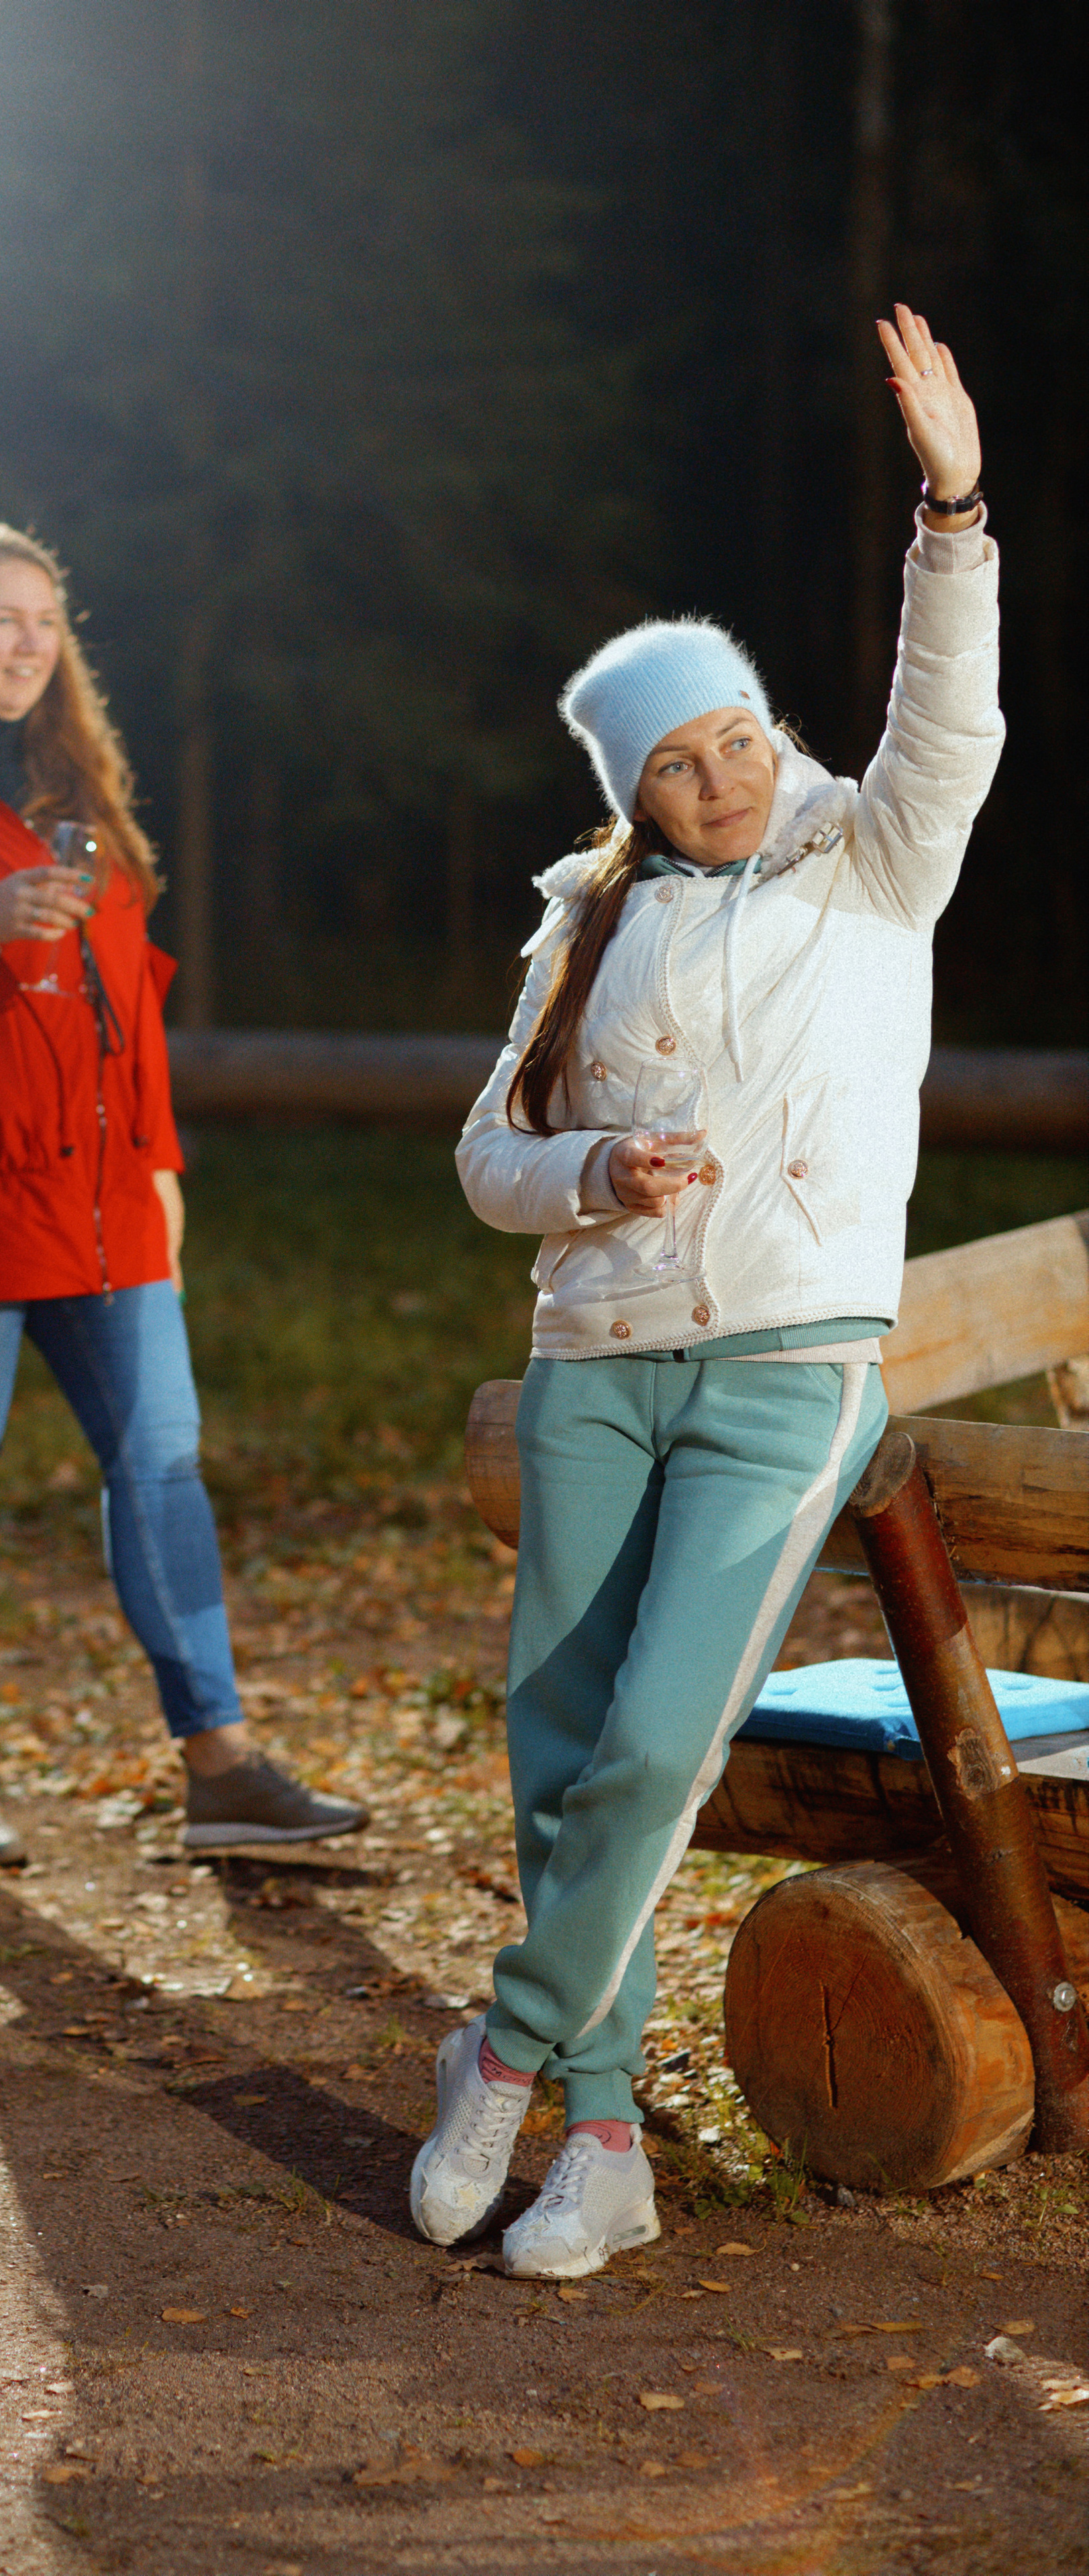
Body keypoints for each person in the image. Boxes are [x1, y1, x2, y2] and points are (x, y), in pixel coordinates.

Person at [410, 307, 1002, 2277]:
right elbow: (494, 1158)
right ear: (633, 793)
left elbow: (951, 720)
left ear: (773, 728)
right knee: (559, 1740)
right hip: (597, 1360)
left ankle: (498, 2043)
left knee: (663, 1741)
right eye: (677, 764)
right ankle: (601, 2139)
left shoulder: (871, 852)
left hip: (786, 1364)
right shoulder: (586, 922)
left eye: (736, 735)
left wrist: (953, 506)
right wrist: (595, 1168)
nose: (723, 777)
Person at [0, 521, 366, 1864]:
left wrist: (160, 1165)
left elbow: (129, 1000)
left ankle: (217, 1765)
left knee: (160, 1459)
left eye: (46, 619)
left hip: (102, 1200)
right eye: (0, 616)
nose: (30, 642)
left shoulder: (67, 783)